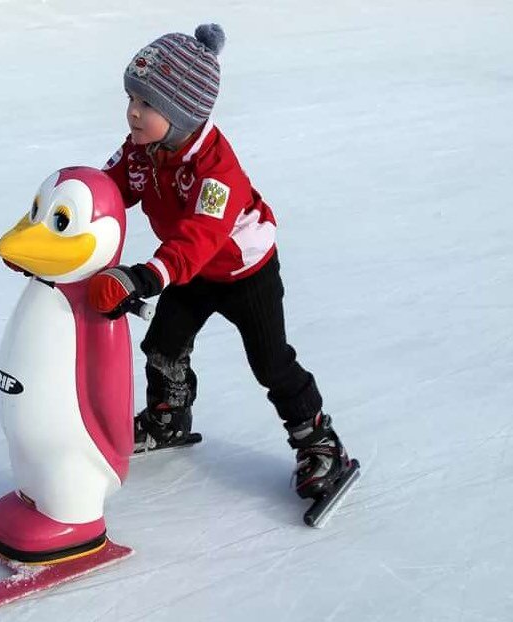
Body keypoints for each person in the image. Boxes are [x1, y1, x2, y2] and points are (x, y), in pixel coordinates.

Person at [86, 24, 353, 502]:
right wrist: (74, 210)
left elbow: (200, 237)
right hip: (192, 272)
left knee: (271, 364)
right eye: (131, 97)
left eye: (147, 104)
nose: (132, 112)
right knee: (163, 346)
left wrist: (146, 276)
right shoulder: (143, 149)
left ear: (184, 112)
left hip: (244, 273)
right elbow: (113, 185)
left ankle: (320, 444)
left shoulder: (217, 172)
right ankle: (169, 416)